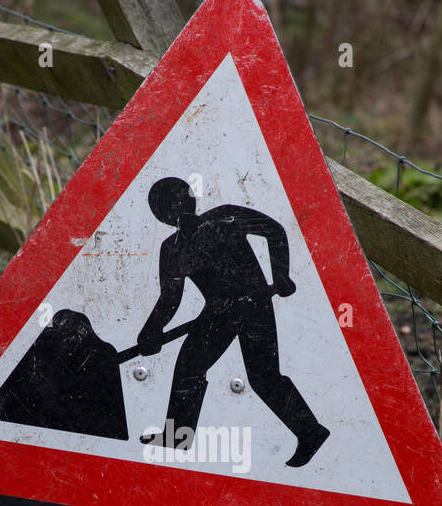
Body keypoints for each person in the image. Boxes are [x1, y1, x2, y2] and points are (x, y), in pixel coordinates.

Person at [137, 177, 329, 468]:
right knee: (190, 367)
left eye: (176, 201)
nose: (175, 209)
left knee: (263, 377)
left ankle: (310, 431)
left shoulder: (225, 216)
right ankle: (177, 436)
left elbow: (273, 230)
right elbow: (170, 298)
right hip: (218, 313)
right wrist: (151, 330)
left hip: (254, 303)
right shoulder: (173, 248)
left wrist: (280, 274)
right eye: (167, 205)